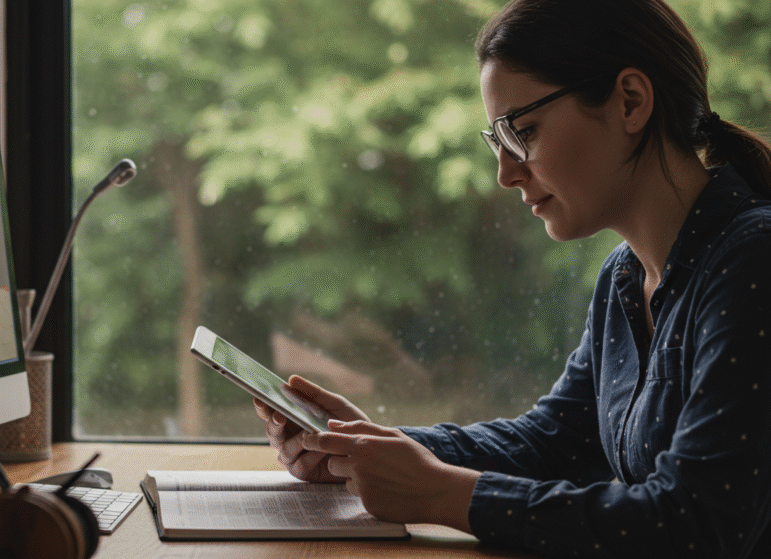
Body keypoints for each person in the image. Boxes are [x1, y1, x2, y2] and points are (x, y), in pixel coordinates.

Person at [253, 0, 771, 557]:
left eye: (523, 131)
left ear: (630, 101)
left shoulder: (753, 261)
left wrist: (440, 494)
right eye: (497, 140)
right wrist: (371, 449)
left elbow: (697, 523)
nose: (505, 172)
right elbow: (552, 442)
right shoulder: (624, 279)